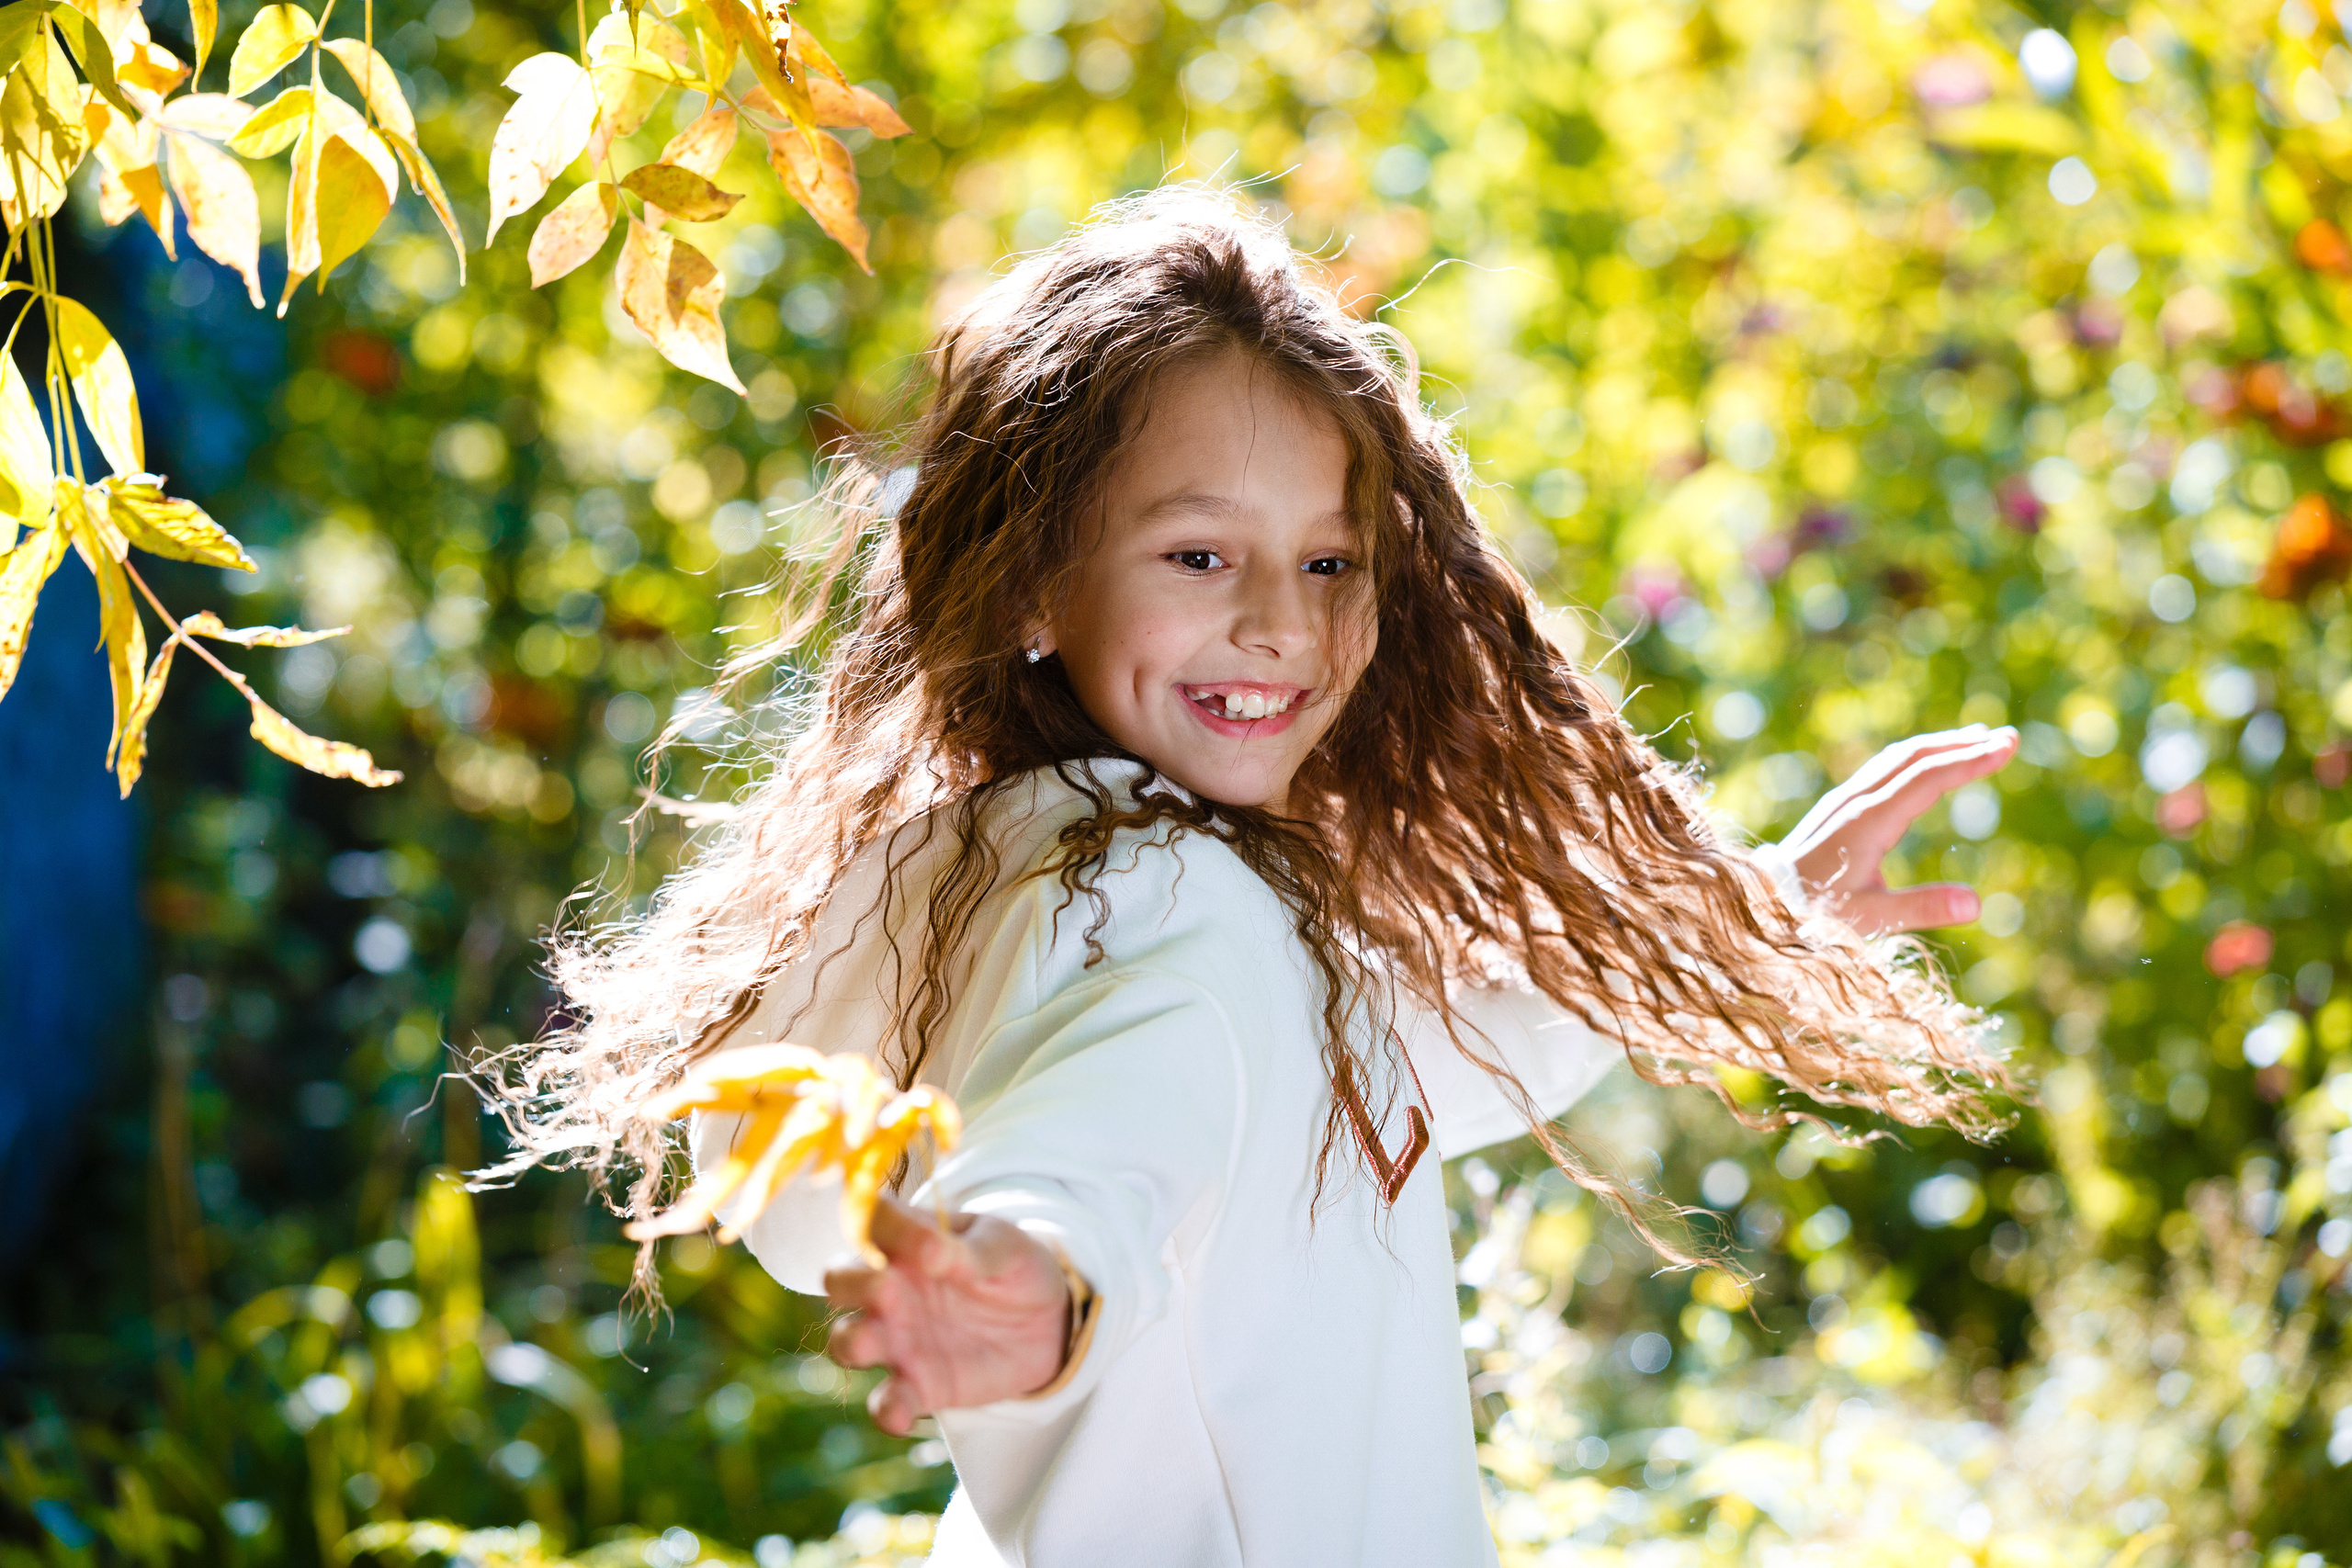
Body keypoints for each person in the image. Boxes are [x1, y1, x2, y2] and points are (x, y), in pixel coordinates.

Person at [492, 187, 2019, 1566]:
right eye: (1201, 558)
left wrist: (1746, 921)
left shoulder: (1075, 870)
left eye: (1330, 562)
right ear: (1036, 580)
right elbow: (1122, 1116)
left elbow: (1392, 1078)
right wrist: (1038, 1265)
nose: (1283, 623)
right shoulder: (1150, 890)